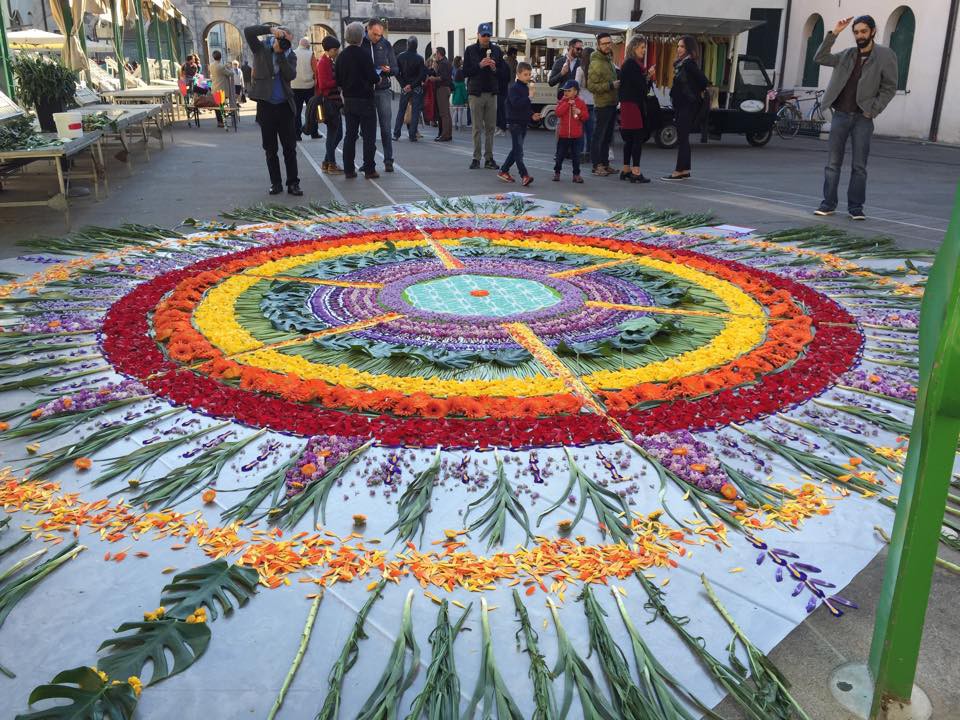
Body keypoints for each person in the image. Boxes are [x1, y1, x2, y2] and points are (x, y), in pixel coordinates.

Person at [813, 16, 898, 220]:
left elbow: (890, 87)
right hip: (840, 115)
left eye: (863, 31)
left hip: (863, 118)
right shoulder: (847, 55)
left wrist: (873, 110)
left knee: (859, 166)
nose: (859, 35)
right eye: (856, 32)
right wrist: (835, 33)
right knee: (833, 163)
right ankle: (828, 204)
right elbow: (820, 58)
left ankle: (856, 207)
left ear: (872, 31)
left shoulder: (885, 56)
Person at [244, 24, 302, 196]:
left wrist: (280, 54)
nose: (285, 42)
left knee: (290, 148)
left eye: (288, 40)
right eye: (283, 38)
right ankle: (276, 183)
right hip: (266, 106)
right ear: (277, 36)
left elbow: (290, 75)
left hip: (285, 106)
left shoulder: (290, 55)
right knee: (270, 149)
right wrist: (270, 30)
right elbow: (248, 31)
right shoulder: (260, 48)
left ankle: (293, 183)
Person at [337, 21, 380, 180]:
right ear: (361, 36)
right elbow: (373, 77)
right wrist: (378, 78)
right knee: (368, 136)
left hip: (349, 100)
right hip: (365, 99)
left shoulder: (342, 56)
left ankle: (349, 169)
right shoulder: (364, 54)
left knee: (350, 135)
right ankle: (369, 169)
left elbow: (338, 80)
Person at [662, 35, 708, 181]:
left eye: (682, 46)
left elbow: (703, 81)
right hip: (683, 105)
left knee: (682, 139)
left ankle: (679, 171)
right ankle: (685, 169)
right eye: (678, 46)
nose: (679, 49)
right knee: (683, 139)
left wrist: (692, 94)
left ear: (689, 49)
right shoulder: (682, 64)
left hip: (687, 106)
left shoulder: (689, 64)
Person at [463, 23, 506, 169]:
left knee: (490, 128)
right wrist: (479, 66)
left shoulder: (496, 50)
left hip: (492, 93)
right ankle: (476, 158)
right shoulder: (470, 50)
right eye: (483, 35)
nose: (486, 38)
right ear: (478, 35)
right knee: (476, 128)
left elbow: (503, 73)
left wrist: (494, 68)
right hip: (476, 93)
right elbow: (465, 72)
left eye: (488, 35)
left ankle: (489, 158)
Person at [361, 19, 398, 172]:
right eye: (375, 34)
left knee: (385, 127)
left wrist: (389, 70)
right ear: (367, 30)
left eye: (380, 35)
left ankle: (388, 160)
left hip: (383, 90)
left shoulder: (386, 44)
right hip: (366, 91)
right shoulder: (360, 44)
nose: (378, 37)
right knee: (366, 130)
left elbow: (396, 68)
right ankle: (368, 162)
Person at [619, 35, 656, 184]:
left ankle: (626, 169)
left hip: (627, 104)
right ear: (634, 48)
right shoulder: (633, 65)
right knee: (637, 138)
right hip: (633, 105)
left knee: (629, 139)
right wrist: (648, 76)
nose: (644, 50)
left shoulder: (629, 64)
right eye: (642, 47)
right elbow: (641, 87)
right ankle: (636, 172)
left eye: (645, 48)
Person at [497, 61, 541, 186]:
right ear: (518, 74)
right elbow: (516, 105)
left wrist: (532, 115)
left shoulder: (524, 88)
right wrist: (529, 98)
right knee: (518, 151)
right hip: (515, 123)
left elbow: (525, 108)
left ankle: (503, 170)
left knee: (516, 149)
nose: (528, 77)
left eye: (529, 74)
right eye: (525, 74)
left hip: (522, 122)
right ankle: (524, 175)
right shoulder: (514, 88)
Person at [586, 33, 618, 176]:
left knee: (607, 136)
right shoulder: (596, 62)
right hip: (602, 104)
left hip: (612, 102)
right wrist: (611, 85)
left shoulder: (608, 60)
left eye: (609, 43)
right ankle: (596, 165)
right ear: (598, 45)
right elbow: (591, 86)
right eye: (604, 43)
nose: (607, 46)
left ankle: (605, 164)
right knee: (598, 136)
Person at [314, 35, 343, 173]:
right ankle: (331, 163)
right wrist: (339, 81)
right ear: (330, 49)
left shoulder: (328, 61)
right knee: (333, 134)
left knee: (337, 134)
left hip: (333, 101)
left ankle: (326, 162)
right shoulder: (323, 63)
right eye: (336, 49)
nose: (337, 52)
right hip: (329, 101)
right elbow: (324, 84)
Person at [553, 80, 588, 183]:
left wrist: (579, 112)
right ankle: (557, 172)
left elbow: (586, 117)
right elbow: (558, 113)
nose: (566, 93)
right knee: (560, 155)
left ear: (576, 92)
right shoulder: (562, 101)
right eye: (565, 91)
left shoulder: (581, 103)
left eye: (569, 90)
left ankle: (576, 174)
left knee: (576, 156)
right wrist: (567, 104)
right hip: (564, 135)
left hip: (576, 135)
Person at [395, 36, 427, 141]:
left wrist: (404, 85)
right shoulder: (420, 58)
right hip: (416, 87)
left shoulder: (400, 57)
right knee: (415, 112)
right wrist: (412, 85)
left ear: (407, 45)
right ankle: (412, 135)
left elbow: (396, 73)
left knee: (401, 110)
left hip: (405, 87)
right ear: (416, 46)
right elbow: (422, 75)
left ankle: (396, 134)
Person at [291, 37, 316, 140]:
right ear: (307, 45)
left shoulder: (292, 53)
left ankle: (297, 134)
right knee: (311, 110)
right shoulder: (311, 54)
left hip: (295, 86)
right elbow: (315, 69)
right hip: (309, 86)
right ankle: (314, 132)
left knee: (297, 111)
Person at [575, 48, 595, 163]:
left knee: (580, 131)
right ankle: (590, 154)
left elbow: (576, 86)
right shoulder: (595, 69)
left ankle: (580, 154)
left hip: (582, 103)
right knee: (591, 131)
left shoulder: (580, 69)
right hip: (593, 103)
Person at [432, 47, 453, 141]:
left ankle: (445, 135)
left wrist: (433, 78)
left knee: (444, 114)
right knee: (447, 113)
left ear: (439, 53)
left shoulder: (443, 63)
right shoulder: (446, 62)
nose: (435, 55)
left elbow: (443, 77)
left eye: (436, 53)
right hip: (446, 89)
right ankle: (448, 134)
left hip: (442, 89)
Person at [208, 50, 233, 128]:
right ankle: (223, 122)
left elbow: (220, 69)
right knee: (221, 106)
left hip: (215, 87)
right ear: (220, 57)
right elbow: (230, 73)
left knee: (217, 106)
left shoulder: (211, 65)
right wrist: (228, 67)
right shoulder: (221, 66)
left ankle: (219, 122)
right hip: (221, 88)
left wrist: (225, 66)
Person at [451, 56, 468, 130]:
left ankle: (454, 124)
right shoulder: (462, 84)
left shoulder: (454, 82)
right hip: (460, 98)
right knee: (460, 111)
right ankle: (460, 125)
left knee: (455, 111)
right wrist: (466, 99)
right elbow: (464, 92)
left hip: (455, 98)